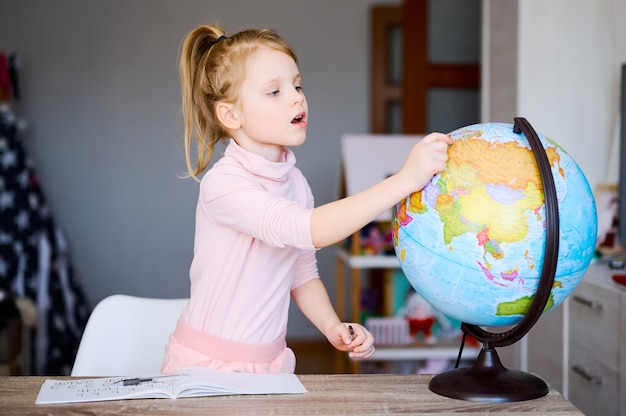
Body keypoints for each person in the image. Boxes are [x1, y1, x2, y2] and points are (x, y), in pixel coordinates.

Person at [161, 24, 451, 375]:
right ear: (230, 115)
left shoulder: (295, 183)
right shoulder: (223, 184)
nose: (296, 97)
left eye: (297, 85)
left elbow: (301, 270)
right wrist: (406, 180)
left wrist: (332, 327)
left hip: (270, 363)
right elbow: (305, 229)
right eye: (274, 92)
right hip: (207, 366)